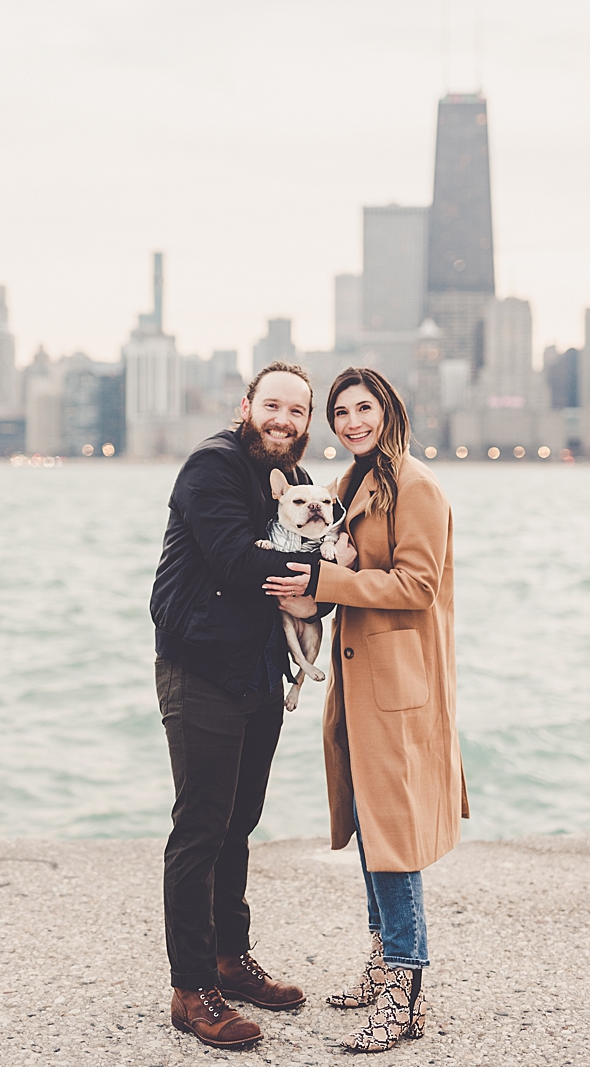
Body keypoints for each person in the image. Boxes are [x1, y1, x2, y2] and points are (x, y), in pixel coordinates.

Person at [264, 366, 469, 1053]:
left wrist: (325, 580)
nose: (352, 421)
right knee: (367, 823)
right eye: (341, 412)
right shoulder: (350, 484)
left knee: (395, 835)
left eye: (364, 407)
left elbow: (417, 584)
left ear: (388, 410)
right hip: (357, 680)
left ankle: (405, 990)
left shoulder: (417, 485)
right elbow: (336, 565)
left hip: (399, 682)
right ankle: (382, 959)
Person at [149, 361, 331, 1048]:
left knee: (238, 822)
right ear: (249, 404)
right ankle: (192, 988)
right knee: (201, 826)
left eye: (297, 412)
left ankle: (231, 959)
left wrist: (323, 583)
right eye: (274, 406)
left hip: (255, 668)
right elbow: (237, 562)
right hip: (199, 665)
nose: (284, 420)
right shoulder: (214, 466)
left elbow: (303, 562)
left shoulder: (279, 479)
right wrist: (331, 577)